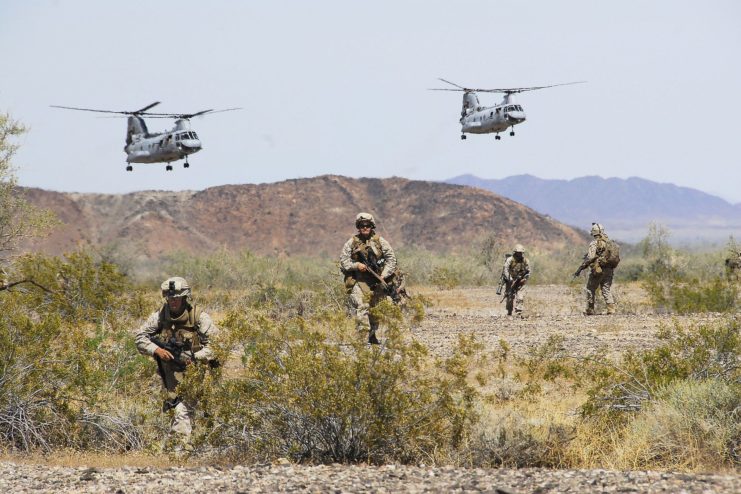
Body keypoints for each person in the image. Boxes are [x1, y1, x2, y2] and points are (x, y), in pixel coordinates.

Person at [135, 276, 220, 446]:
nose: (172, 301)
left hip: (198, 372)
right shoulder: (160, 315)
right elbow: (140, 337)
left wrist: (195, 357)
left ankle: (179, 450)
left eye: (176, 298)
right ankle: (186, 445)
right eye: (169, 297)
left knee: (189, 410)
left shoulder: (199, 316)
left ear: (185, 297)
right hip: (169, 374)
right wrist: (157, 350)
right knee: (173, 408)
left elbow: (217, 346)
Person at [339, 212, 397, 344]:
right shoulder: (351, 243)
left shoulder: (380, 242)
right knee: (362, 305)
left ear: (372, 226)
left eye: (367, 225)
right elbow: (344, 262)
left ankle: (372, 335)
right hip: (358, 281)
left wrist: (384, 275)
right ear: (358, 227)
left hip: (376, 280)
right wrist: (357, 265)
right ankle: (362, 336)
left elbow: (391, 260)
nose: (365, 228)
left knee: (375, 309)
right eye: (361, 225)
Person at [573, 223, 618, 315]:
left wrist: (581, 267)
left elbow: (590, 257)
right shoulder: (610, 242)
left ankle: (590, 309)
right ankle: (611, 309)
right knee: (606, 289)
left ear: (594, 233)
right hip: (609, 269)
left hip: (598, 270)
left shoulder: (594, 243)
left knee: (590, 288)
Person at [502, 244, 531, 316]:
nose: (520, 254)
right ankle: (509, 311)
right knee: (510, 297)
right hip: (510, 281)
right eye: (518, 252)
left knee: (520, 297)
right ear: (515, 252)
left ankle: (519, 311)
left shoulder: (525, 261)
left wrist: (524, 279)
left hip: (520, 281)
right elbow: (505, 270)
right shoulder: (510, 260)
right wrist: (510, 279)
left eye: (521, 252)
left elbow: (528, 271)